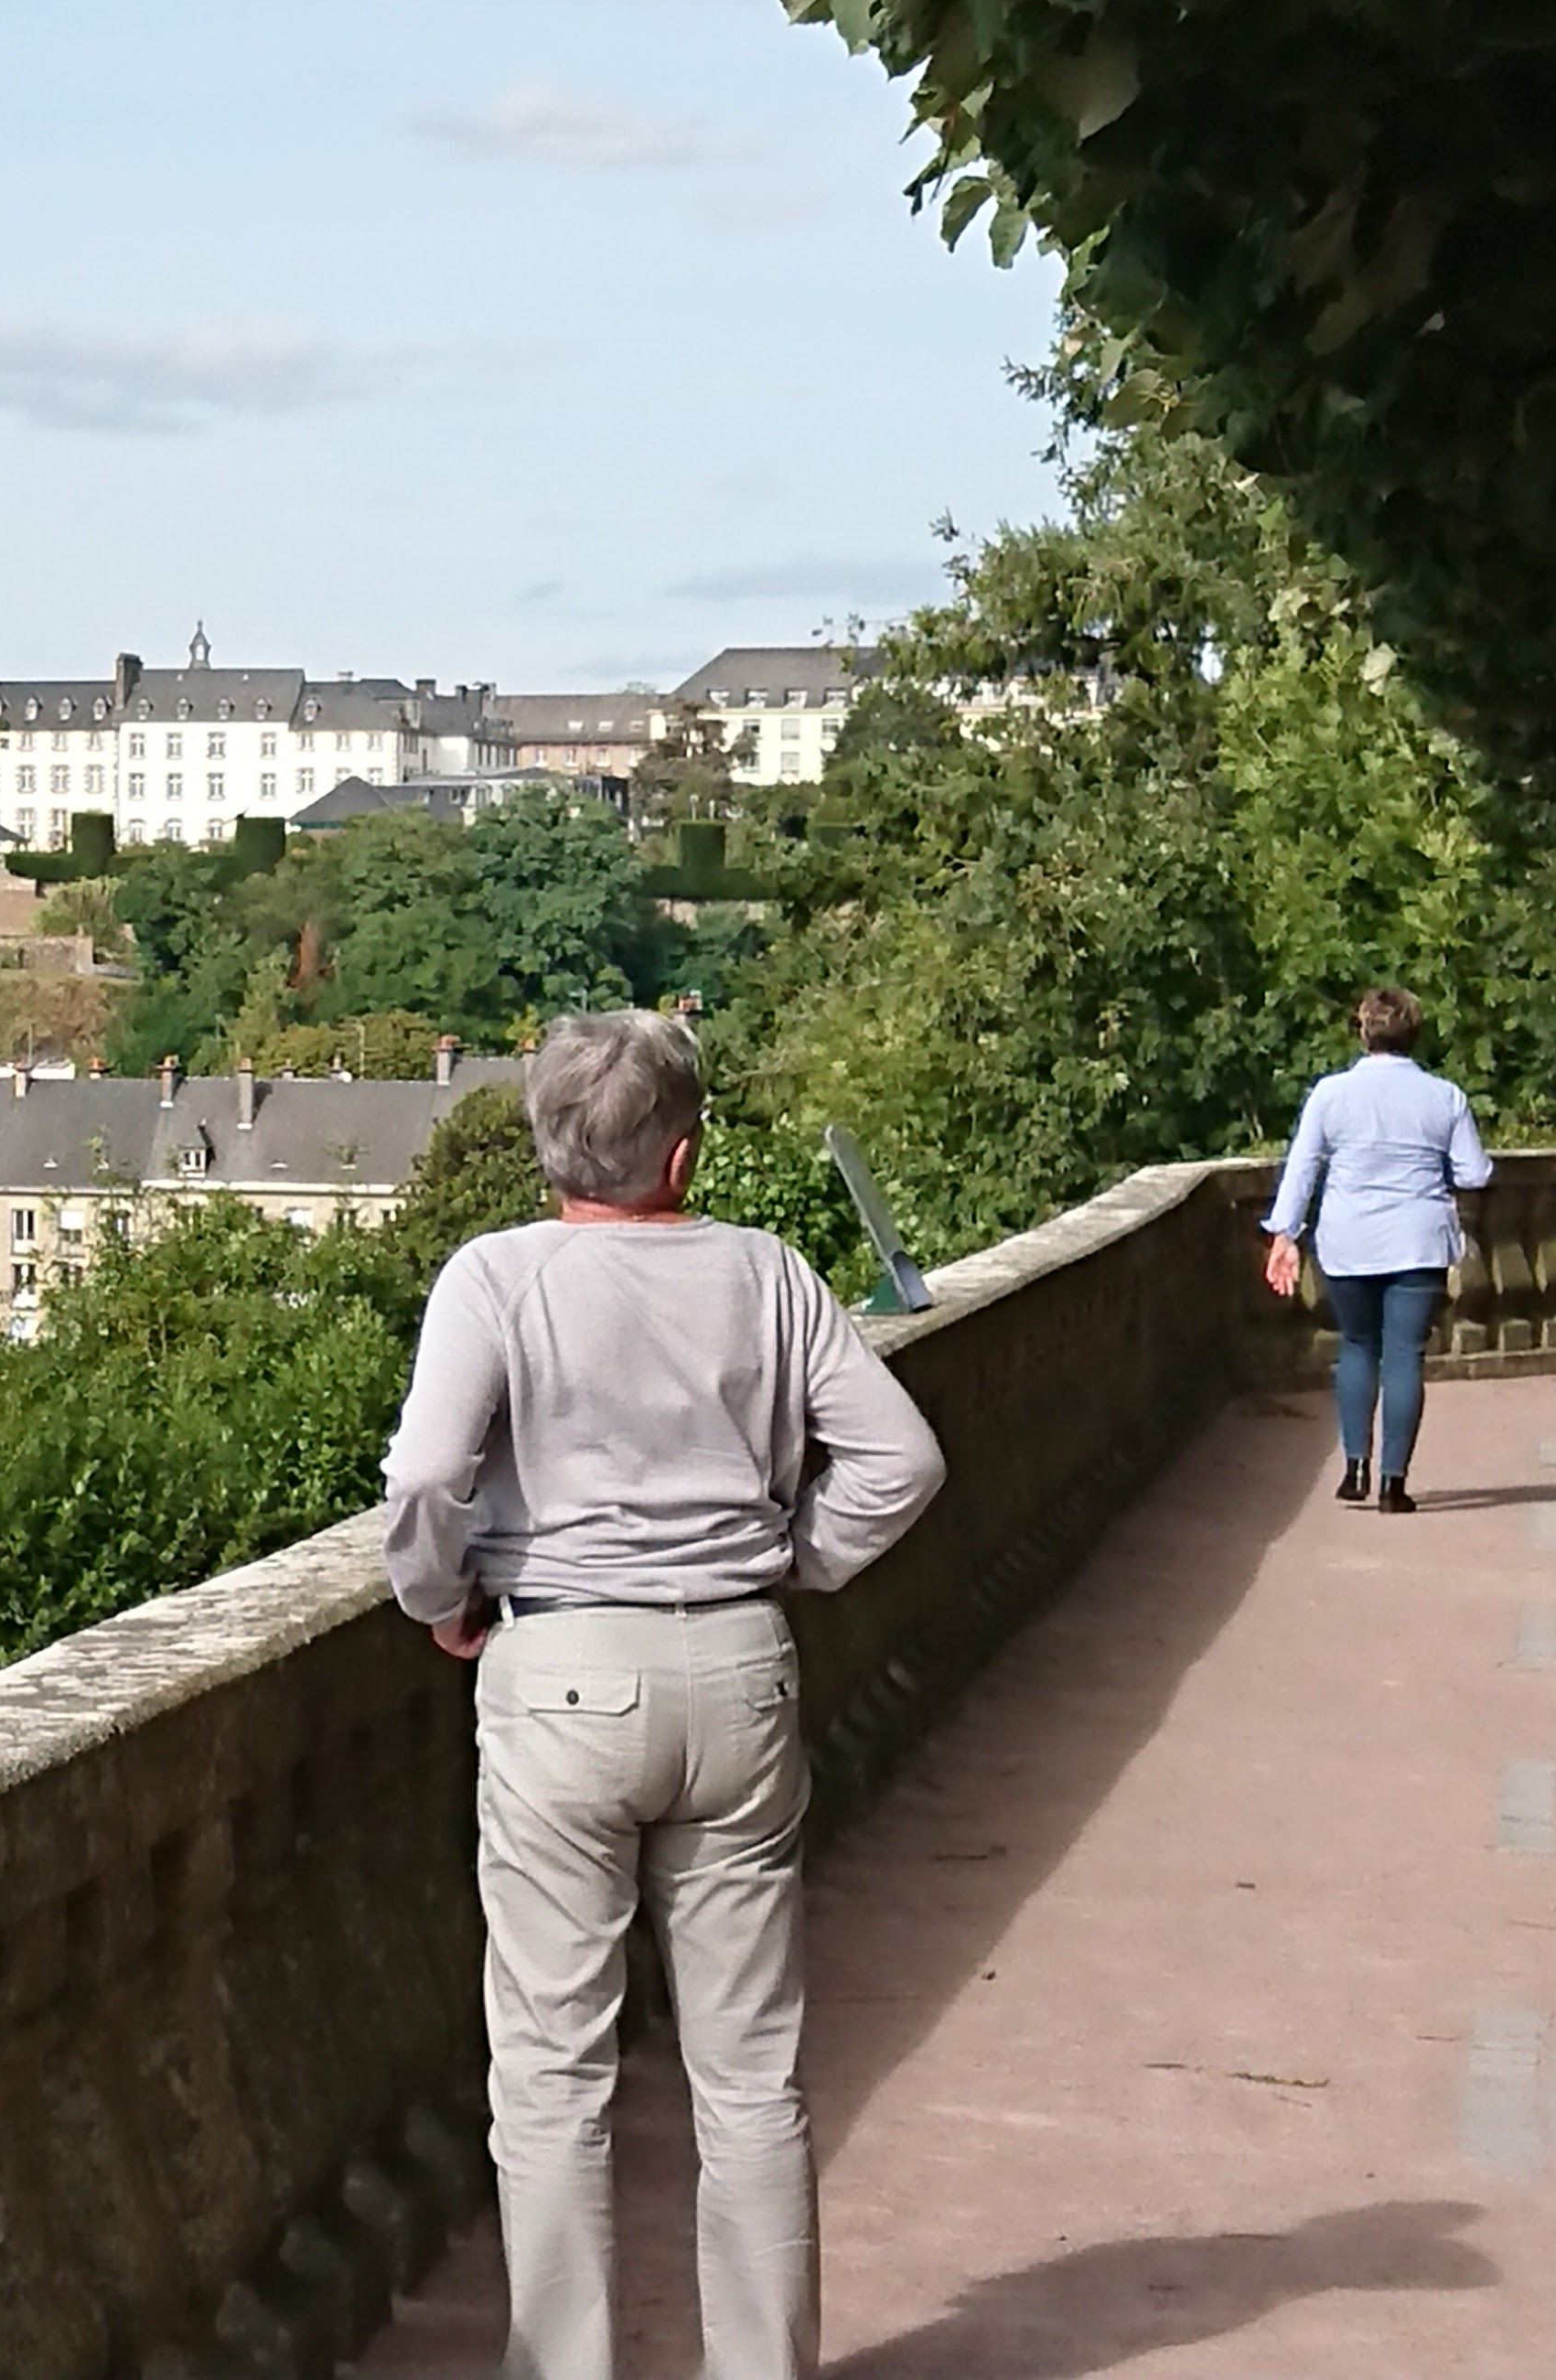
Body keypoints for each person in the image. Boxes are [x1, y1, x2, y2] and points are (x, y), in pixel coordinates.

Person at [381, 1011, 946, 2380]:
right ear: (683, 1156)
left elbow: (427, 1476)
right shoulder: (768, 1273)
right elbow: (903, 1461)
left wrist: (439, 1599)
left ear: (542, 1147)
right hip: (737, 1666)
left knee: (553, 2073)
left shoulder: (494, 1277)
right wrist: (792, 1561)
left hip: (559, 1670)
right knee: (749, 2073)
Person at [1260, 985, 1493, 1515]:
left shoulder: (1331, 1094)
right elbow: (1474, 1173)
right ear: (1414, 1033)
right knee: (1404, 1355)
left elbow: (1302, 1169)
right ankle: (1393, 1482)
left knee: (1358, 1346)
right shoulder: (1445, 1096)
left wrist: (1284, 1234)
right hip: (1417, 1240)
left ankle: (1354, 1467)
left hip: (1349, 1240)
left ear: (1363, 1031)